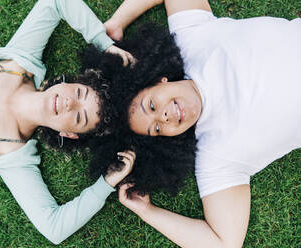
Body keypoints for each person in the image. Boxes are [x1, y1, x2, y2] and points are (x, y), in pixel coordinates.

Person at [91, 0, 301, 247]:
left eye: (151, 105)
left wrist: (118, 21)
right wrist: (148, 212)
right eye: (157, 129)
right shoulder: (215, 157)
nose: (164, 117)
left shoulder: (190, 37)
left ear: (159, 81)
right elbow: (225, 243)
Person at [0, 0, 136, 244]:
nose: (70, 103)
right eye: (80, 93)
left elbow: (54, 228)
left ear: (69, 134)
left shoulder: (13, 156)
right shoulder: (21, 60)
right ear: (72, 82)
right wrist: (105, 45)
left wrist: (105, 184)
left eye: (79, 117)